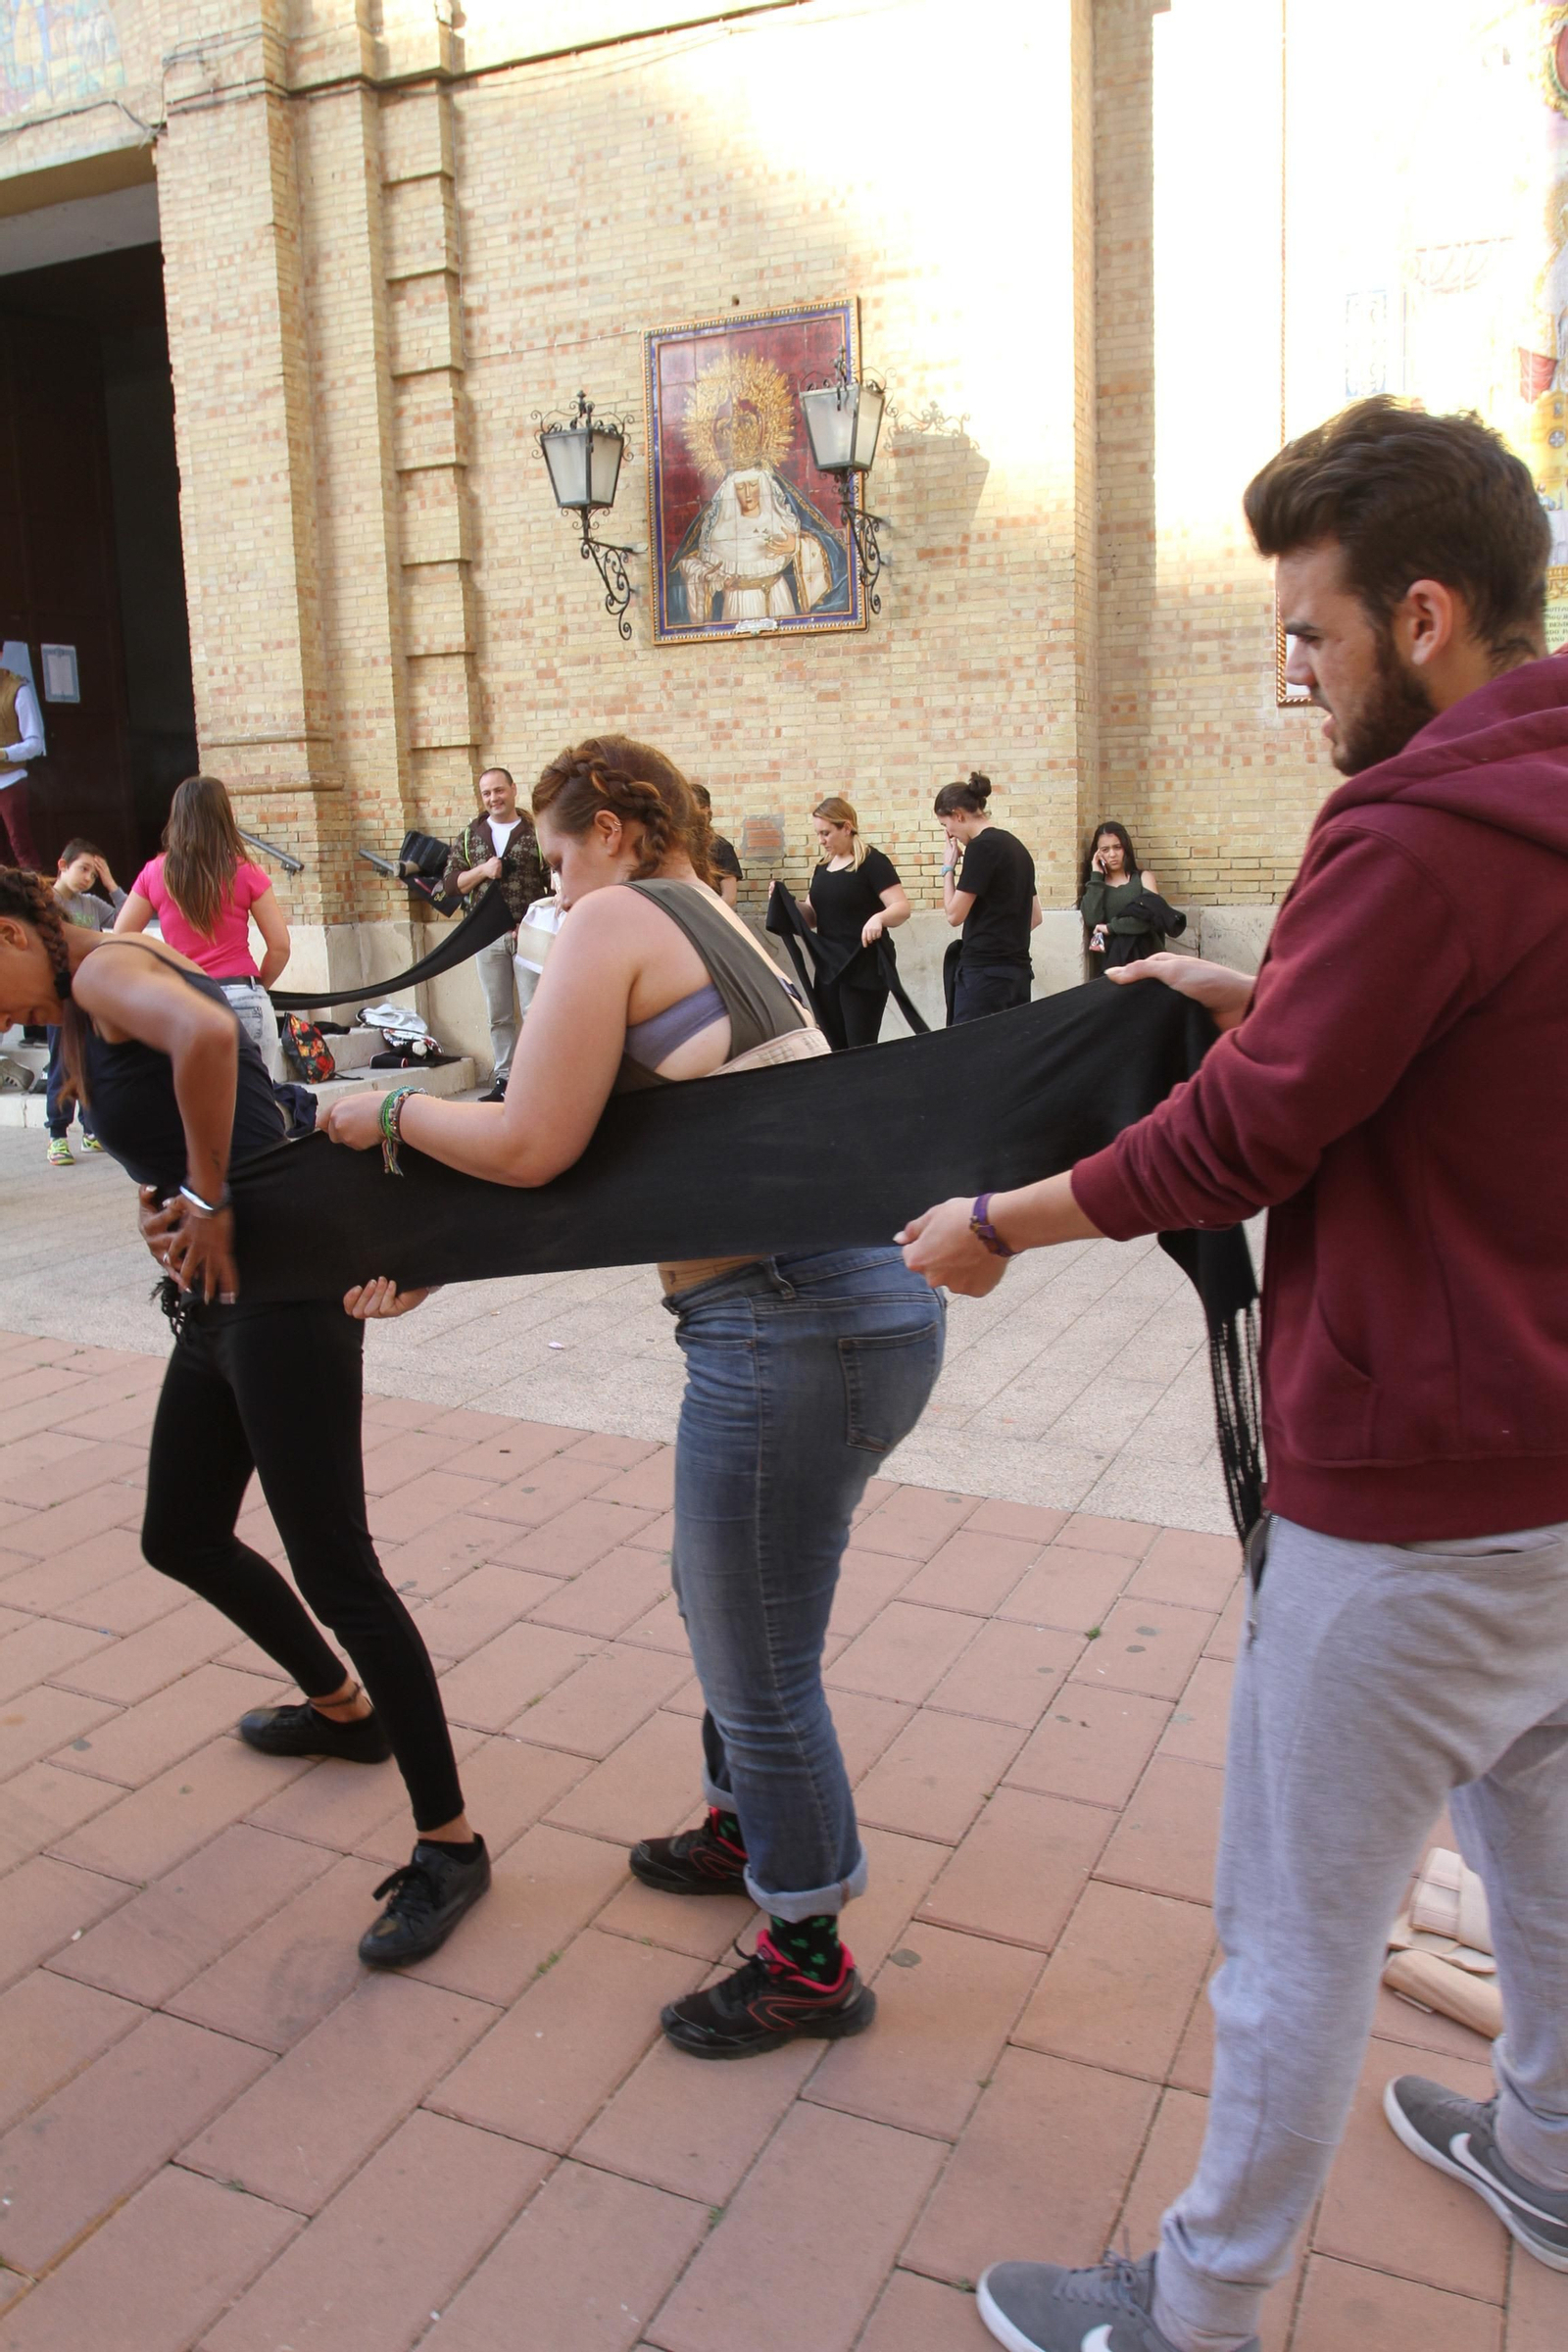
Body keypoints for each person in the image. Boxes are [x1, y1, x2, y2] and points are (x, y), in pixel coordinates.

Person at [897, 398, 1568, 2352]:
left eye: (1307, 635)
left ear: (1420, 614)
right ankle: (1542, 2150)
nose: (1296, 678)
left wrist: (998, 1226)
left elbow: (1244, 1144)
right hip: (1551, 1474)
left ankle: (1183, 2314)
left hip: (1409, 1495)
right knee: (1537, 1855)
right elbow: (1462, 1036)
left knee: (1290, 1938)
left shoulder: (1414, 825)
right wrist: (1267, 991)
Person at [324, 735, 945, 2057]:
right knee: (729, 1601)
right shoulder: (714, 914)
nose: (548, 888)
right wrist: (437, 1251)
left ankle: (808, 1955)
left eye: (550, 856)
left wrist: (382, 1117)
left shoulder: (614, 917)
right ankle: (742, 1827)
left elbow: (531, 1139)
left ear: (608, 824)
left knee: (760, 1661)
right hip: (843, 1308)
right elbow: (617, 1155)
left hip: (787, 1322)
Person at [0, 861, 489, 1968]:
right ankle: (340, 1710)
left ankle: (451, 1844)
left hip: (283, 1291)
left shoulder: (107, 968)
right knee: (179, 1534)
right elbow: (188, 1113)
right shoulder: (77, 1002)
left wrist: (210, 1199)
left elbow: (215, 1043)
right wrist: (163, 1199)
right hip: (222, 1294)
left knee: (340, 1573)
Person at [116, 775, 290, 1077]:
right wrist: (257, 986)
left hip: (186, 999)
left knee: (196, 1114)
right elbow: (280, 947)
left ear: (177, 817)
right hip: (242, 993)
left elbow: (120, 939)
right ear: (224, 815)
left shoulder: (155, 873)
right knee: (256, 1112)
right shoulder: (246, 871)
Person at [442, 766, 549, 1102]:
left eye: (499, 791)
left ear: (514, 790)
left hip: (528, 934)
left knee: (535, 1010)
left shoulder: (537, 833)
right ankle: (505, 1080)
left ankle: (539, 1078)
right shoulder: (469, 835)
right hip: (485, 937)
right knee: (498, 1013)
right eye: (487, 793)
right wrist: (484, 871)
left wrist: (531, 920)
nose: (493, 798)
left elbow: (554, 880)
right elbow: (450, 885)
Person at [797, 794, 910, 1049]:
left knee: (860, 1044)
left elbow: (901, 907)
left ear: (846, 827)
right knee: (832, 1045)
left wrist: (879, 918)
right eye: (818, 834)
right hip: (830, 968)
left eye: (826, 833)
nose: (821, 840)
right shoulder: (822, 869)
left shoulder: (872, 862)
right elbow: (812, 917)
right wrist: (786, 903)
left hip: (864, 967)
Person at [936, 772, 1042, 1022]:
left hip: (983, 977)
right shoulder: (1017, 847)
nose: (949, 834)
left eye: (945, 825)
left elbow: (953, 915)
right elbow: (1035, 917)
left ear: (958, 815)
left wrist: (948, 868)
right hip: (1017, 975)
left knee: (972, 1054)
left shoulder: (981, 848)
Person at [44, 840, 124, 1165]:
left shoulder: (91, 904)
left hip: (92, 993)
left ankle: (91, 1131)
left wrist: (111, 884)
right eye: (83, 869)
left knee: (93, 1059)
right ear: (62, 866)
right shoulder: (44, 901)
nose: (88, 877)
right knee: (63, 1062)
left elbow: (128, 916)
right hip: (61, 995)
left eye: (94, 872)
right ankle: (57, 1136)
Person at [1078, 818, 1185, 967]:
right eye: (1105, 850)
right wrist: (1096, 876)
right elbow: (1091, 918)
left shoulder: (1143, 878)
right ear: (1097, 854)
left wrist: (1110, 928)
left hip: (1147, 961)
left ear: (1125, 848)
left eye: (1117, 847)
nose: (1112, 854)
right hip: (1113, 964)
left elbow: (1148, 918)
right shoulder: (1097, 886)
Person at [0, 662, 44, 869]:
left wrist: (4, 753)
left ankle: (35, 899)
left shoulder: (17, 689)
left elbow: (35, 742)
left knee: (20, 847)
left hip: (10, 779)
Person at [690, 783, 743, 906]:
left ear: (705, 810)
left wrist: (706, 916)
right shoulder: (676, 847)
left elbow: (729, 897)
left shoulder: (721, 847)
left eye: (690, 806)